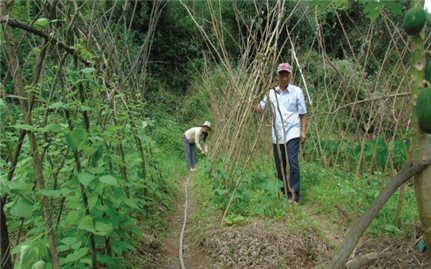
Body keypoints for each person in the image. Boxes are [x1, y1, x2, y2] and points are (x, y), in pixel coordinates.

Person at [256, 62, 308, 202]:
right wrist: (252, 105)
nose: (284, 78)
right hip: (277, 135)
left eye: (287, 75)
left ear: (290, 76)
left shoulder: (297, 91)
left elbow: (303, 114)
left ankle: (294, 195)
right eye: (281, 74)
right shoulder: (271, 93)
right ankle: (283, 191)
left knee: (293, 161)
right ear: (277, 76)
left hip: (292, 132)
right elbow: (262, 107)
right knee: (280, 165)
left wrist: (303, 132)